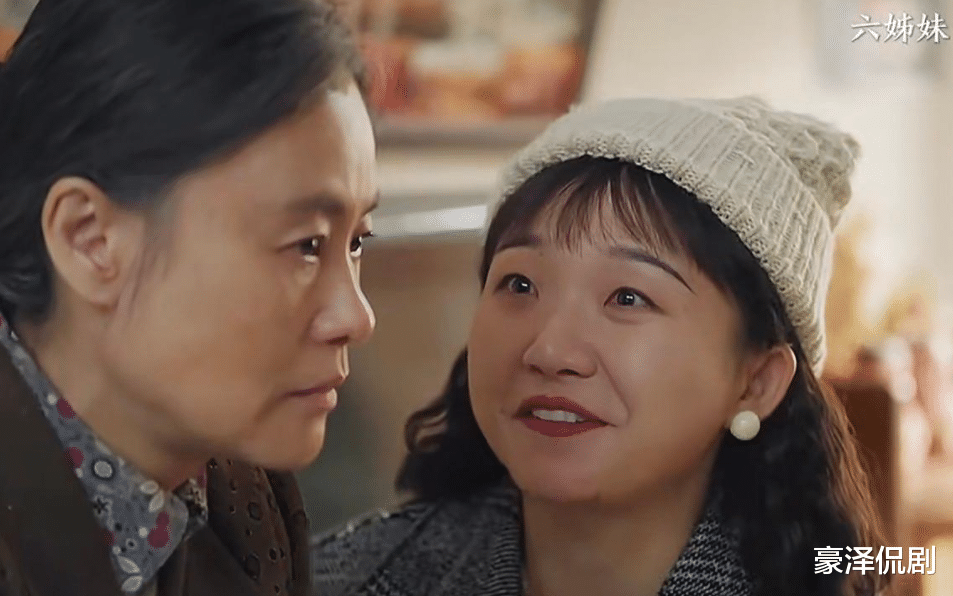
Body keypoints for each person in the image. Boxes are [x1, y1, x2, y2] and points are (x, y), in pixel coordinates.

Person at [311, 97, 888, 596]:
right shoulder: (337, 580)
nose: (549, 349)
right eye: (520, 284)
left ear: (755, 382)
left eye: (628, 298)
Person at [0, 1, 378, 595]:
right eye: (306, 244)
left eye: (356, 242)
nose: (355, 317)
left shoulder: (247, 493)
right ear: (89, 239)